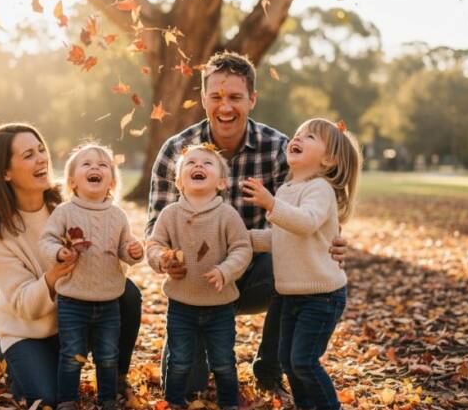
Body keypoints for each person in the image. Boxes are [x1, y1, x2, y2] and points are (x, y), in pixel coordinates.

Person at [146, 51, 349, 395]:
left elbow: (312, 209)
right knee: (187, 386)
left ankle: (270, 365)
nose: (226, 107)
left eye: (236, 98)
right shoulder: (177, 152)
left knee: (286, 260)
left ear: (252, 99)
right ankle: (201, 346)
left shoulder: (279, 149)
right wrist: (163, 258)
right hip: (195, 284)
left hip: (256, 274)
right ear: (203, 98)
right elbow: (156, 232)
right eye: (217, 97)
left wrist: (334, 238)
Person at [0, 124, 142, 407]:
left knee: (127, 294)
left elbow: (108, 265)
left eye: (41, 150)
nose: (42, 158)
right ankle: (18, 367)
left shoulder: (69, 204)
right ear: (5, 172)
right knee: (49, 400)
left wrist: (126, 251)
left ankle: (115, 376)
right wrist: (53, 277)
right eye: (28, 155)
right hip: (28, 332)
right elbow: (23, 304)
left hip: (77, 317)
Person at [243, 118, 361, 410]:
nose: (297, 138)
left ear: (329, 159)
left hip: (320, 296)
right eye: (297, 134)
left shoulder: (319, 189)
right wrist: (243, 239)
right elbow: (281, 238)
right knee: (288, 360)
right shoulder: (286, 189)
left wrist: (271, 205)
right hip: (290, 295)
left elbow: (306, 223)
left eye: (309, 137)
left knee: (304, 362)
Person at [147, 144, 252, 409]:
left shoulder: (227, 215)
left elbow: (242, 247)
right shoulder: (170, 214)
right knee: (179, 359)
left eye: (207, 163)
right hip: (181, 304)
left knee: (223, 362)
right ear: (179, 181)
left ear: (222, 183)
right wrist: (162, 258)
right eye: (191, 163)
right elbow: (154, 244)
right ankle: (174, 401)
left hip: (220, 305)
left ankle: (229, 403)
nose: (198, 166)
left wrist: (226, 270)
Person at [40, 143, 144, 410]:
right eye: (87, 164)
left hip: (109, 300)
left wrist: (133, 251)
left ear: (111, 181)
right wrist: (59, 253)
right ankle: (68, 399)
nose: (95, 167)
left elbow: (125, 249)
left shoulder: (118, 215)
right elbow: (46, 242)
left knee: (108, 355)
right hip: (73, 299)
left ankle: (107, 398)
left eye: (103, 165)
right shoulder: (64, 212)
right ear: (73, 181)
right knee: (71, 355)